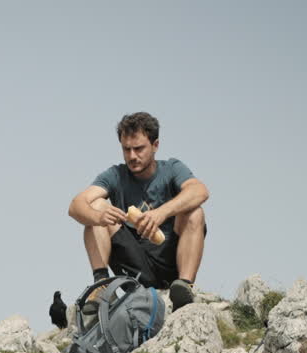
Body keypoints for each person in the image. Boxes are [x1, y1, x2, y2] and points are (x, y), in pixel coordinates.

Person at [68, 112, 209, 310]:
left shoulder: (172, 168)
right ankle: (100, 288)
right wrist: (98, 216)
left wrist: (161, 213)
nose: (132, 156)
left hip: (171, 262)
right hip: (134, 264)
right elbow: (76, 205)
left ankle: (184, 288)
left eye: (139, 149)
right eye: (127, 150)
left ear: (155, 145)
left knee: (195, 213)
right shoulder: (116, 175)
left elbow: (200, 191)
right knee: (96, 207)